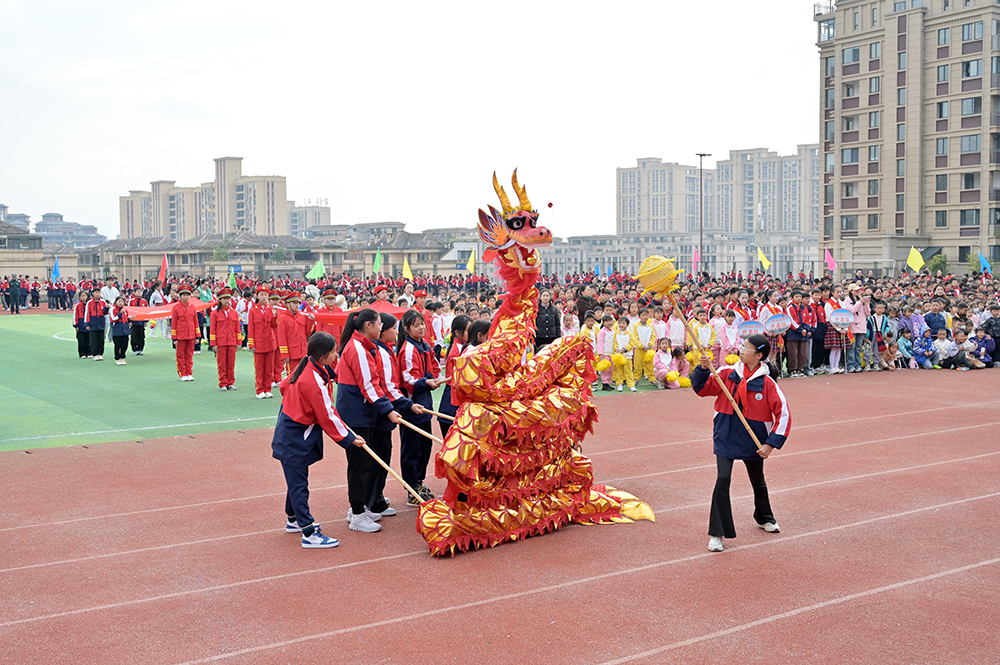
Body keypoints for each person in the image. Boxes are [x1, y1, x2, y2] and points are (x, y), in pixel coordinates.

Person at [692, 334, 790, 553]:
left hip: (753, 439)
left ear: (759, 355)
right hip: (725, 435)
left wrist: (770, 444)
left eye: (747, 348)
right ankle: (717, 533)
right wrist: (703, 369)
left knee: (758, 480)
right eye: (742, 346)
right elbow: (701, 389)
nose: (741, 349)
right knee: (723, 479)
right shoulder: (727, 374)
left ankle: (764, 517)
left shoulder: (767, 383)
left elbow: (783, 414)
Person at [273, 332, 363, 549]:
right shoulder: (312, 378)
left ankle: (293, 519)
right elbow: (327, 414)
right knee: (298, 484)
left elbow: (285, 386)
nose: (336, 355)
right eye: (333, 352)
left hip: (291, 429)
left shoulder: (308, 366)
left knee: (296, 478)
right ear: (323, 355)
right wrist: (350, 438)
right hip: (294, 434)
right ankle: (308, 532)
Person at [336, 308, 401, 532]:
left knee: (365, 462)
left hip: (362, 413)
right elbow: (369, 386)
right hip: (356, 415)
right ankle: (356, 514)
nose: (382, 328)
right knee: (359, 464)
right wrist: (388, 410)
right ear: (368, 325)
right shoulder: (357, 348)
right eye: (380, 323)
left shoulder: (363, 346)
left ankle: (360, 507)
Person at [370, 312, 426, 520]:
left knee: (383, 454)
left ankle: (376, 499)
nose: (395, 331)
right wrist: (408, 405)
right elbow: (388, 387)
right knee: (378, 456)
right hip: (383, 409)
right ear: (382, 331)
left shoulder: (387, 350)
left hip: (388, 407)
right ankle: (369, 503)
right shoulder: (382, 352)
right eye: (393, 328)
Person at [397, 309, 445, 503]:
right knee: (411, 448)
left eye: (422, 324)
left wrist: (432, 379)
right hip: (411, 404)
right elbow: (408, 378)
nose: (421, 327)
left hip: (424, 403)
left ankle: (418, 481)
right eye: (416, 325)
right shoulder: (407, 349)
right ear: (407, 329)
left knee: (425, 446)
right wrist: (426, 382)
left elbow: (434, 366)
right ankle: (411, 488)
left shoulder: (425, 345)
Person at [438, 314, 471, 439]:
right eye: (468, 330)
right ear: (457, 332)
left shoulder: (462, 347)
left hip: (453, 398)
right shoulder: (459, 350)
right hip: (452, 401)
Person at [248, 285, 279, 399]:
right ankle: (260, 390)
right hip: (259, 342)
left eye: (266, 295)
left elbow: (274, 326)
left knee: (269, 368)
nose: (264, 297)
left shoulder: (271, 309)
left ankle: (268, 389)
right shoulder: (252, 310)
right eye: (261, 294)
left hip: (270, 342)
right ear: (257, 296)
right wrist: (251, 344)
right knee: (259, 368)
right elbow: (251, 328)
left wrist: (275, 316)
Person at [210, 287, 241, 391]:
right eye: (224, 298)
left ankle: (230, 382)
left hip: (232, 341)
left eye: (228, 298)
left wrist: (239, 342)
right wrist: (213, 344)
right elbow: (212, 329)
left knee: (231, 363)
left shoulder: (234, 313)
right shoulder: (215, 313)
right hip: (221, 342)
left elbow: (237, 329)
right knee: (222, 363)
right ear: (220, 300)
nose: (227, 301)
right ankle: (223, 382)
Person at [171, 284, 199, 381]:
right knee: (180, 355)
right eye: (183, 295)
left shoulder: (193, 307)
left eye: (187, 295)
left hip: (191, 335)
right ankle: (182, 373)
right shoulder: (176, 308)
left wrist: (197, 336)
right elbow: (173, 324)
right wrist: (174, 338)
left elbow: (196, 322)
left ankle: (189, 372)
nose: (185, 297)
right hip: (180, 335)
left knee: (189, 355)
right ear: (180, 296)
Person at [631, 308, 656, 384]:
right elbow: (635, 337)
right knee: (638, 364)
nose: (645, 317)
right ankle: (636, 378)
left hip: (648, 349)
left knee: (649, 364)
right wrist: (641, 346)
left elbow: (653, 336)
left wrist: (650, 345)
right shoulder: (636, 325)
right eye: (643, 315)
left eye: (646, 315)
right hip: (639, 349)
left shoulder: (650, 326)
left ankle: (651, 378)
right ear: (639, 316)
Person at [612, 314, 636, 392]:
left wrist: (625, 349)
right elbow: (615, 342)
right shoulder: (616, 333)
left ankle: (631, 385)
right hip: (618, 356)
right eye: (620, 323)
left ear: (627, 325)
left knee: (628, 371)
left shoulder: (629, 334)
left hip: (627, 356)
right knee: (618, 371)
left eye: (623, 323)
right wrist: (616, 348)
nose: (621, 325)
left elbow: (632, 343)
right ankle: (619, 384)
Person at [86, 287, 108, 361]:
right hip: (93, 322)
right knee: (94, 339)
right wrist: (87, 324)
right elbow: (87, 313)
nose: (98, 294)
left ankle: (100, 353)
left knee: (101, 339)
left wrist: (107, 308)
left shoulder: (103, 302)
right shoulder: (89, 303)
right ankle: (95, 354)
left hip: (101, 322)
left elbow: (105, 313)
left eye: (99, 292)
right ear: (93, 293)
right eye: (96, 292)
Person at [595, 314, 616, 391]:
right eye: (607, 321)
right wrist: (601, 354)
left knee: (611, 369)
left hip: (611, 353)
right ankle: (604, 383)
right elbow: (600, 343)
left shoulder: (613, 331)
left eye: (610, 321)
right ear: (603, 323)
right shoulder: (602, 332)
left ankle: (608, 383)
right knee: (605, 370)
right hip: (605, 353)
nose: (609, 323)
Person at [110, 296, 131, 365]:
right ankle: (117, 358)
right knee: (117, 345)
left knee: (125, 345)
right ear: (116, 302)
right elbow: (113, 318)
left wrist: (130, 319)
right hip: (117, 330)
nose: (120, 303)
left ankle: (123, 357)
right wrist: (120, 313)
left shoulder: (126, 310)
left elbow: (127, 319)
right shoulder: (113, 309)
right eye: (119, 301)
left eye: (122, 301)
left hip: (125, 330)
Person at [72, 290, 92, 358]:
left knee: (88, 340)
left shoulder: (89, 305)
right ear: (79, 297)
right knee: (81, 340)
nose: (83, 297)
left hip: (88, 325)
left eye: (85, 296)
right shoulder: (77, 306)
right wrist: (76, 325)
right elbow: (75, 316)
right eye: (82, 296)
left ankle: (89, 352)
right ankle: (82, 354)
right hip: (80, 325)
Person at [127, 288, 148, 356]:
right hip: (134, 322)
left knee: (141, 336)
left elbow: (146, 312)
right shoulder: (131, 301)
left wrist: (146, 321)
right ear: (134, 293)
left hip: (141, 322)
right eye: (138, 292)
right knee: (134, 336)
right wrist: (129, 321)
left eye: (140, 292)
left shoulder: (144, 301)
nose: (139, 293)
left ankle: (140, 349)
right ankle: (135, 349)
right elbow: (129, 311)